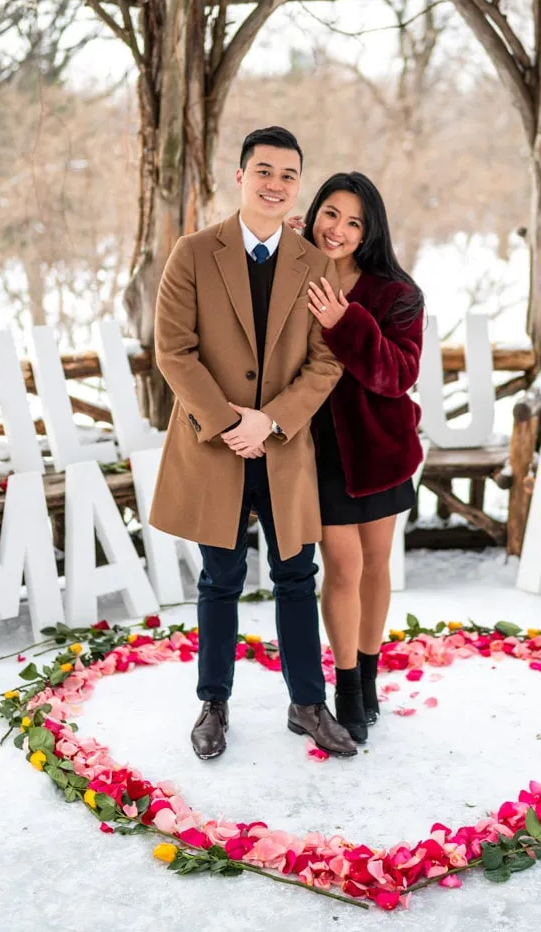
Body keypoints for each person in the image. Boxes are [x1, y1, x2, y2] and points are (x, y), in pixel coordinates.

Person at [149, 128, 358, 761]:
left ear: (298, 184)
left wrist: (268, 422)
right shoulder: (191, 253)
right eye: (263, 171)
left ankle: (306, 703)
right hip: (215, 445)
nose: (275, 184)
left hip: (284, 447)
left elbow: (327, 363)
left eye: (289, 175)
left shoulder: (315, 265)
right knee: (220, 579)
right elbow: (174, 351)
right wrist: (227, 421)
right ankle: (213, 702)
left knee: (297, 576)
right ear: (239, 176)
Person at [302, 172, 425, 744]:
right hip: (316, 450)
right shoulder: (289, 276)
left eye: (354, 221)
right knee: (343, 569)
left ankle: (369, 674)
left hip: (379, 449)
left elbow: (398, 375)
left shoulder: (397, 295)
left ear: (370, 230)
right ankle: (346, 683)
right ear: (314, 213)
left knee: (376, 564)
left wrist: (345, 322)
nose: (339, 230)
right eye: (331, 213)